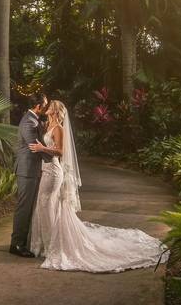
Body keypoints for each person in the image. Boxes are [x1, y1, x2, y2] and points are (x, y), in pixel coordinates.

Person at [27, 99, 166, 272]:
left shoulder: (58, 129)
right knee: (46, 205)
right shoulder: (47, 126)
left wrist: (42, 149)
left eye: (50, 107)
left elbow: (61, 152)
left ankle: (52, 247)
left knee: (46, 205)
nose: (47, 108)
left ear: (55, 111)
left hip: (54, 172)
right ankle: (48, 244)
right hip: (46, 170)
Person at [9, 92, 49, 257]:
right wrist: (55, 156)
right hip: (27, 170)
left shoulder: (33, 120)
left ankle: (23, 241)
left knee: (29, 206)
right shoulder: (28, 122)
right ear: (38, 106)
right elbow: (34, 147)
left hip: (31, 170)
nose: (46, 108)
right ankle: (16, 245)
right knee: (24, 207)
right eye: (45, 105)